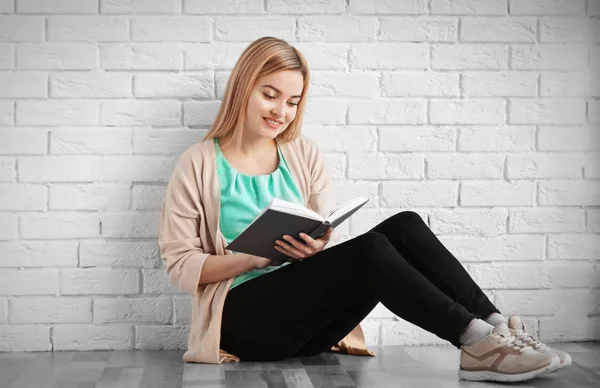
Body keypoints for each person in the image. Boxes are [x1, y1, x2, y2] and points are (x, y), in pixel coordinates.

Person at [158, 36, 572, 382]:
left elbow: (321, 232)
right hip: (243, 321)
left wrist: (315, 247)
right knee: (370, 249)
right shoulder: (198, 163)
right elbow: (181, 267)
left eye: (292, 101)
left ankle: (499, 329)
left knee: (405, 226)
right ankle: (474, 341)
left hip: (309, 323)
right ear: (242, 88)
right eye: (270, 95)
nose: (281, 112)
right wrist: (255, 257)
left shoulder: (302, 153)